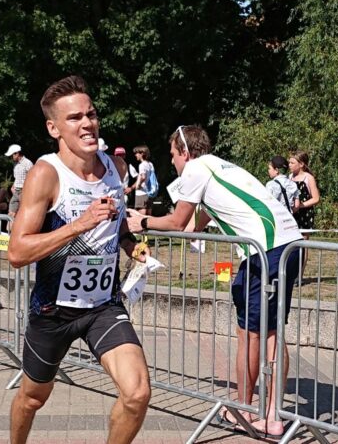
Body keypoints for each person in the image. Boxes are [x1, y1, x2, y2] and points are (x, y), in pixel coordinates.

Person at [126, 125, 303, 437]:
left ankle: (249, 411)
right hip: (288, 247)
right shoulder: (218, 167)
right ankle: (267, 414)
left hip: (267, 250)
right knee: (273, 332)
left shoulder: (195, 168)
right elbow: (195, 225)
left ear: (185, 151)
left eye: (172, 157)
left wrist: (142, 222)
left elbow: (179, 222)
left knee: (251, 334)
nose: (173, 164)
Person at [6, 75, 150, 444]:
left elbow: (114, 228)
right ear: (54, 127)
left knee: (136, 394)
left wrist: (131, 246)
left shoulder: (115, 169)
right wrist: (79, 223)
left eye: (91, 114)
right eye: (74, 118)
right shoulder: (45, 174)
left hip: (102, 306)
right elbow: (17, 252)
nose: (87, 123)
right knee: (34, 398)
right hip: (53, 311)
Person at [288, 151, 319, 233]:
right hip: (292, 212)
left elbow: (316, 199)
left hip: (304, 214)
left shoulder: (308, 178)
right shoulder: (290, 177)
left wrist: (300, 206)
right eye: (289, 162)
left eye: (292, 163)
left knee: (303, 242)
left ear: (301, 164)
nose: (289, 165)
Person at [5, 144, 34, 219]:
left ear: (17, 153)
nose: (11, 157)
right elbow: (17, 177)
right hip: (16, 191)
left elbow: (33, 178)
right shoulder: (15, 164)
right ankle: (10, 230)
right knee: (11, 214)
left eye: (12, 155)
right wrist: (13, 186)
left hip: (24, 191)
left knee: (23, 214)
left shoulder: (28, 163)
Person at [132, 145, 156, 214]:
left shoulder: (142, 165)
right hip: (149, 193)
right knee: (148, 216)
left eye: (137, 153)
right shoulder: (150, 164)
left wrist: (138, 185)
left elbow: (143, 176)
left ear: (142, 154)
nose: (135, 155)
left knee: (141, 216)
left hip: (141, 193)